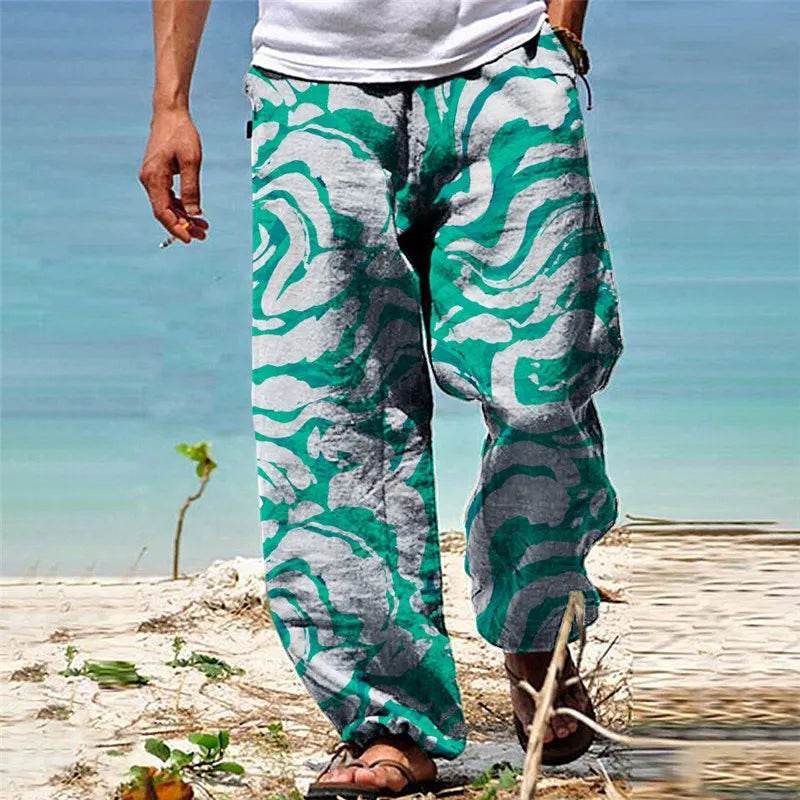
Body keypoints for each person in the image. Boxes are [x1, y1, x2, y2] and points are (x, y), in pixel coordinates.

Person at [139, 0, 623, 795]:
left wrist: (562, 36)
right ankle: (387, 720)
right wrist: (170, 103)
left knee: (543, 390)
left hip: (506, 65)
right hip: (312, 90)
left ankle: (537, 630)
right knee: (332, 415)